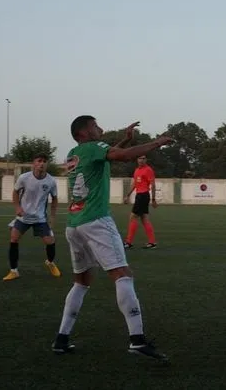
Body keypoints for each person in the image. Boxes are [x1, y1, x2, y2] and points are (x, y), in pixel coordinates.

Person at [51, 116, 173, 361]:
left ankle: (61, 338)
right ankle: (137, 341)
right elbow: (123, 156)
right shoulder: (95, 148)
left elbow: (106, 153)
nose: (101, 128)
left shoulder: (73, 153)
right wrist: (156, 143)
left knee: (81, 282)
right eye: (95, 125)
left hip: (74, 224)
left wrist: (125, 139)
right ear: (84, 132)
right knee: (123, 275)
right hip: (95, 220)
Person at [3, 153, 62, 281]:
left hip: (40, 218)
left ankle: (50, 262)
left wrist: (52, 217)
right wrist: (17, 208)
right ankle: (14, 271)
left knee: (50, 241)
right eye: (39, 161)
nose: (42, 163)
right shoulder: (24, 178)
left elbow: (55, 198)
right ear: (34, 163)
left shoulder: (51, 181)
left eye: (44, 161)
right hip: (23, 217)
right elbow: (15, 192)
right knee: (14, 238)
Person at [123, 156, 158, 249]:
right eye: (139, 158)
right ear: (137, 159)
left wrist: (153, 199)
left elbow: (153, 184)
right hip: (140, 196)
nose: (141, 160)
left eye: (143, 158)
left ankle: (128, 242)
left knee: (133, 217)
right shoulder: (137, 170)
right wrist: (128, 195)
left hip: (143, 195)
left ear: (146, 160)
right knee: (144, 218)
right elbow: (134, 184)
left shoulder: (148, 170)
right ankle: (152, 242)